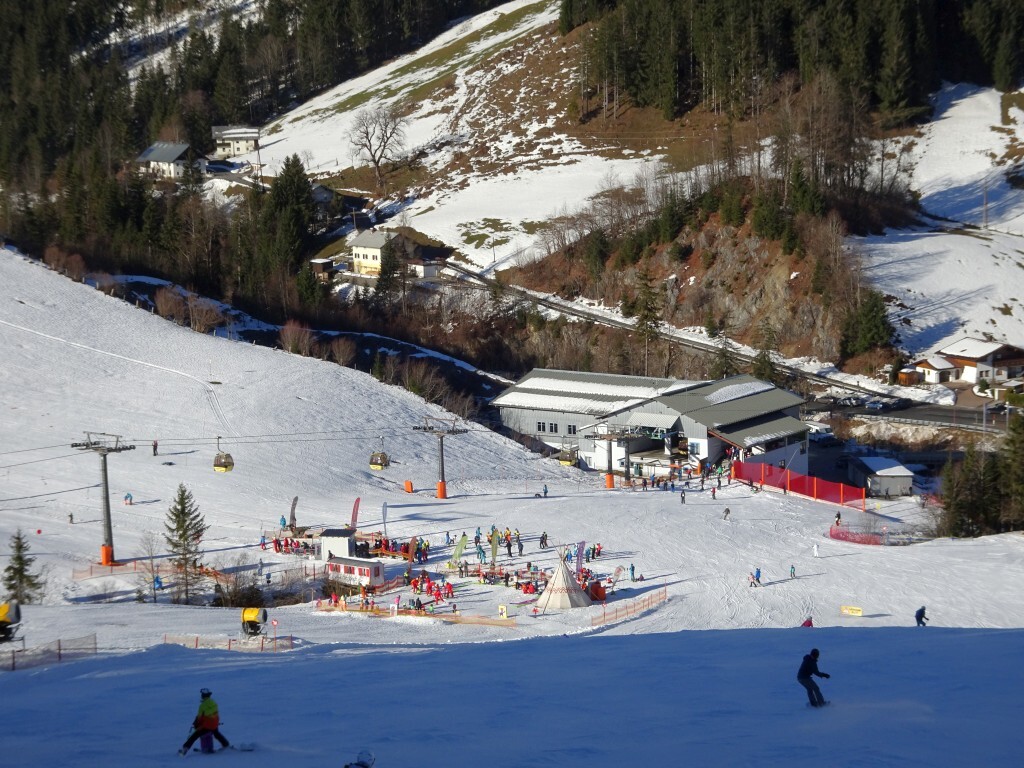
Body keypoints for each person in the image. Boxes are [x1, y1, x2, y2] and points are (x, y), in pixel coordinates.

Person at [179, 688, 230, 755]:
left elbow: (199, 718)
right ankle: (226, 745)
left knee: (194, 735)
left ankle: (185, 749)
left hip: (206, 726)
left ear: (203, 696)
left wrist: (196, 724)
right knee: (216, 734)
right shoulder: (214, 702)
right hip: (215, 724)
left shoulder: (202, 706)